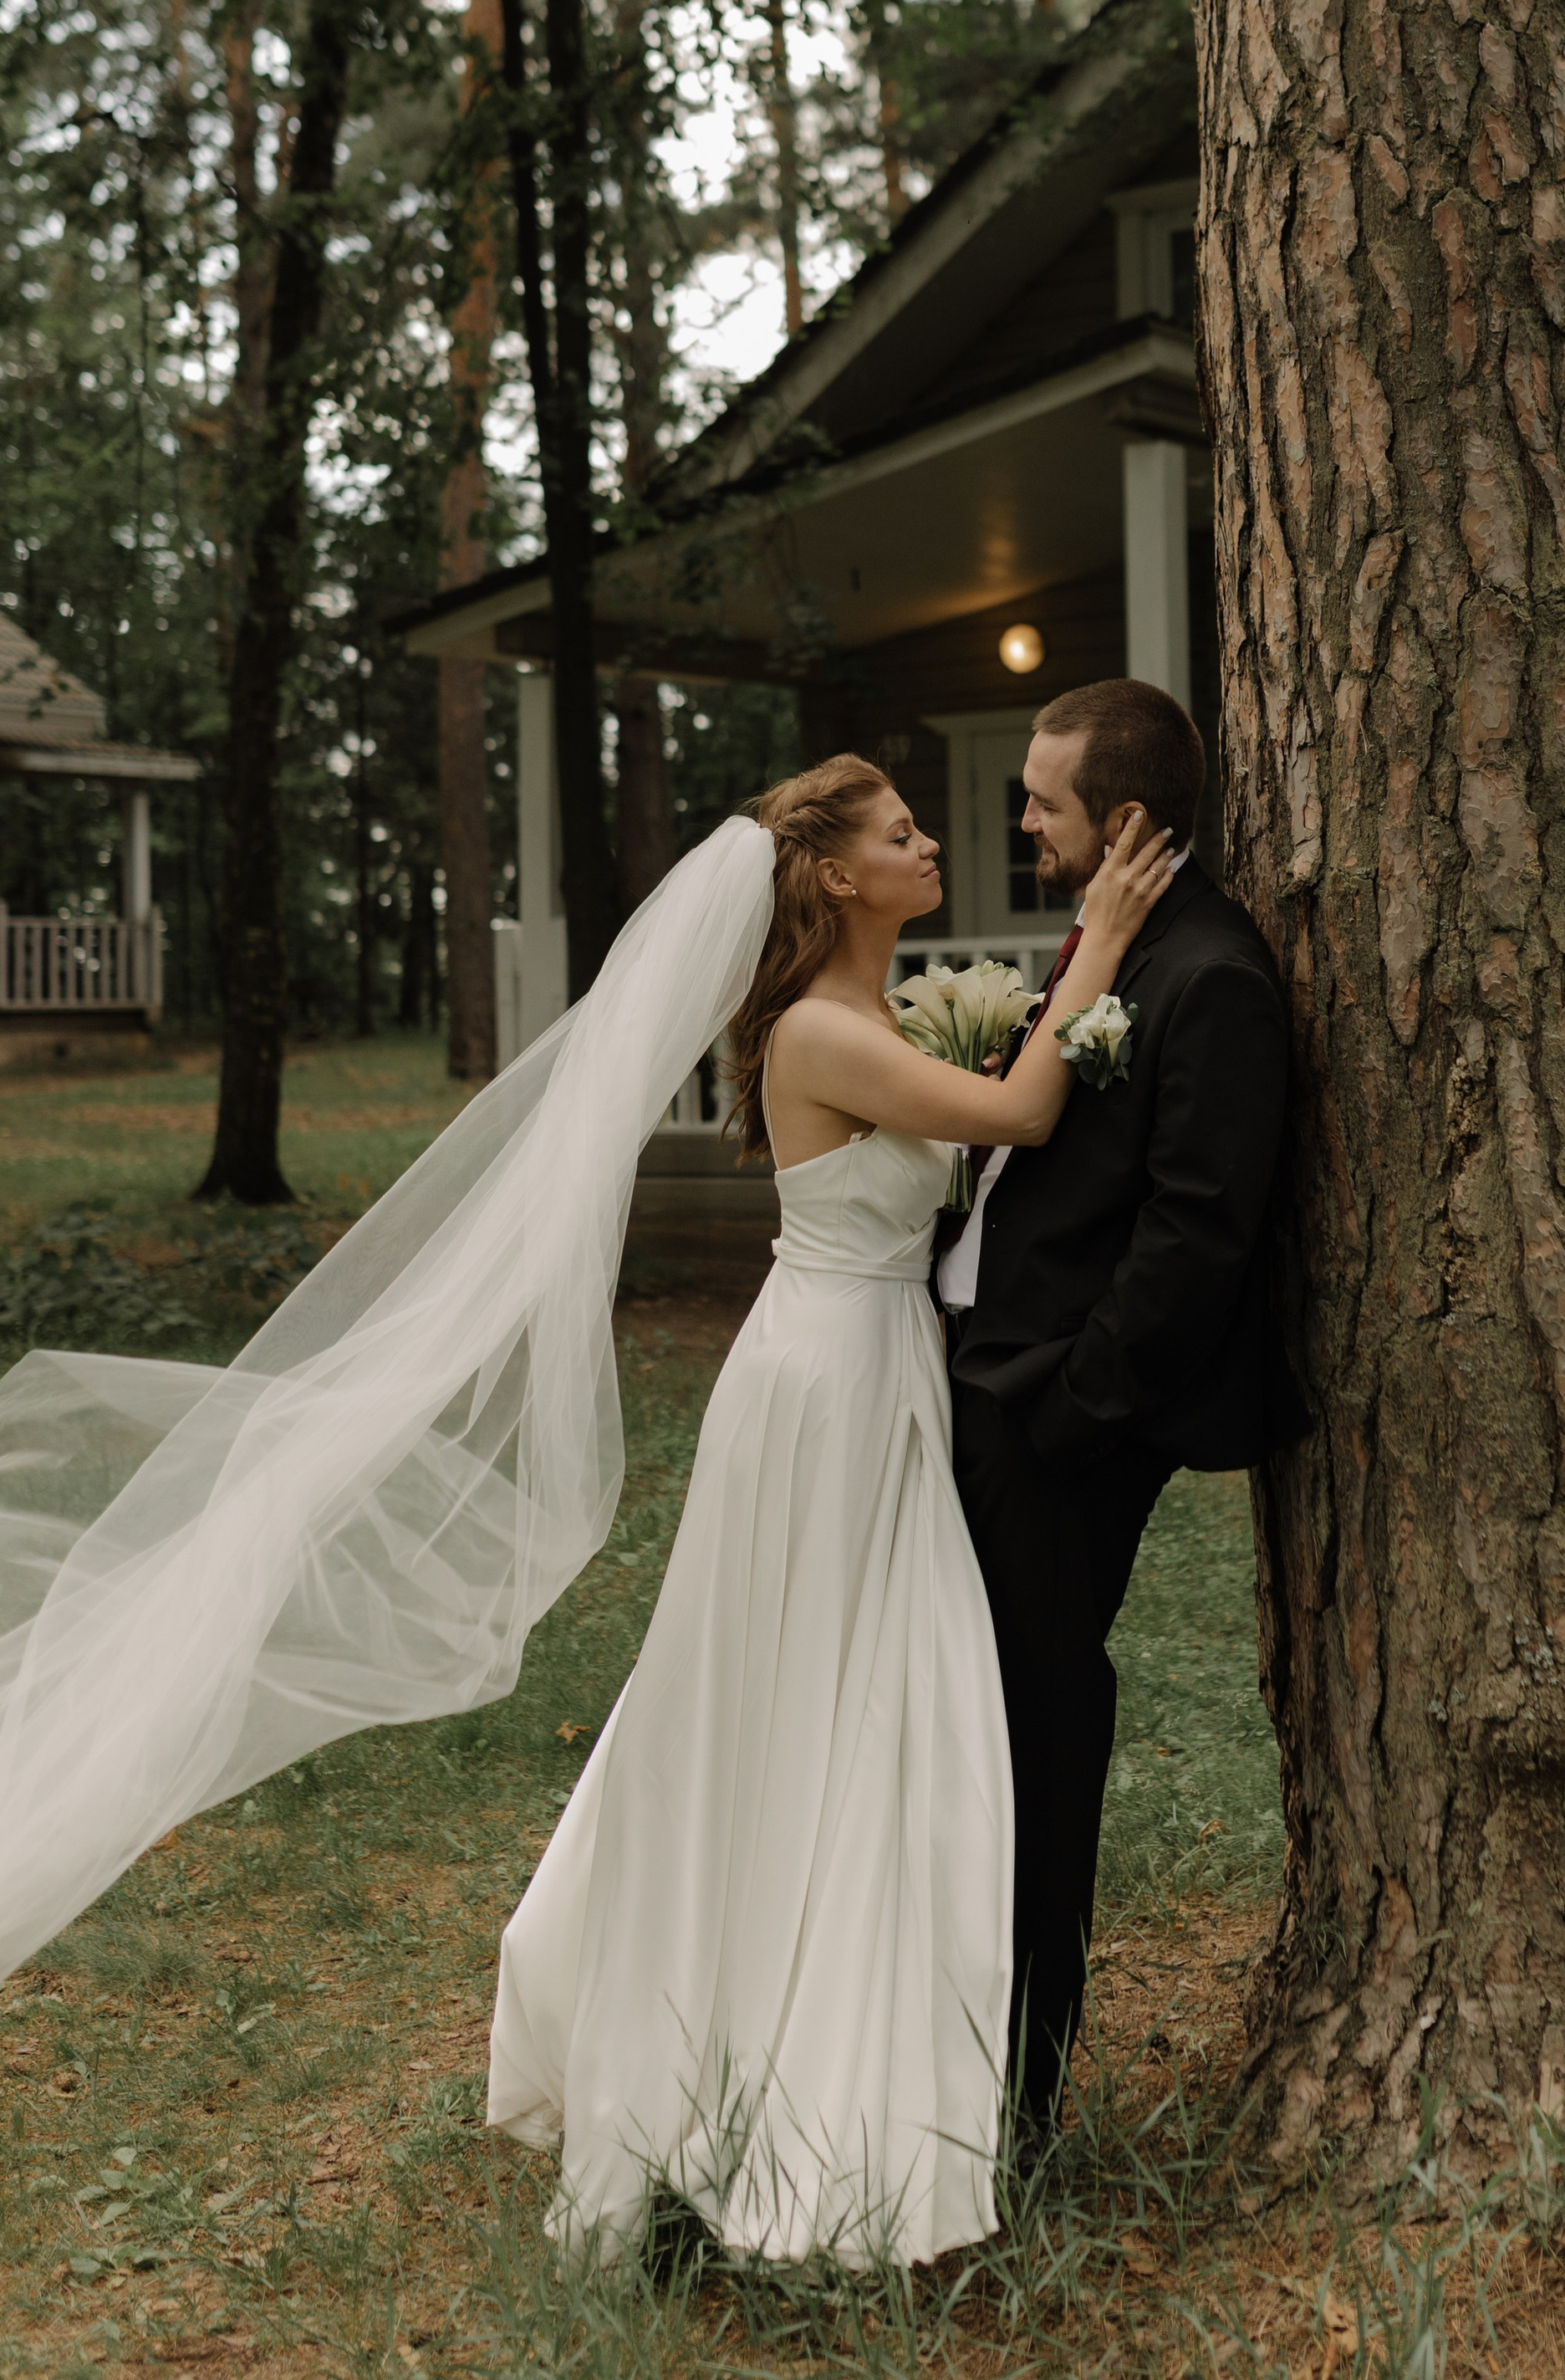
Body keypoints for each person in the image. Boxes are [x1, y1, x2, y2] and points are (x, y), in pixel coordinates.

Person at [487, 757, 1175, 2265]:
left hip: (879, 1371)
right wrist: (1104, 950)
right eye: (902, 834)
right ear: (837, 879)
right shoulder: (817, 1028)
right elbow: (1021, 1110)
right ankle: (748, 2056)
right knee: (802, 1693)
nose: (931, 844)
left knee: (850, 1686)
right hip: (827, 1386)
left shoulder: (879, 1013)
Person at [938, 678, 1297, 2130]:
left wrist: (1067, 1413)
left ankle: (1012, 2096)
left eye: (1044, 799)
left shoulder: (1212, 976)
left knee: (1033, 1736)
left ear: (1126, 818)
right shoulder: (1113, 940)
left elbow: (1197, 1237)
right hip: (972, 1386)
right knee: (947, 1726)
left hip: (1051, 1426)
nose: (1023, 816)